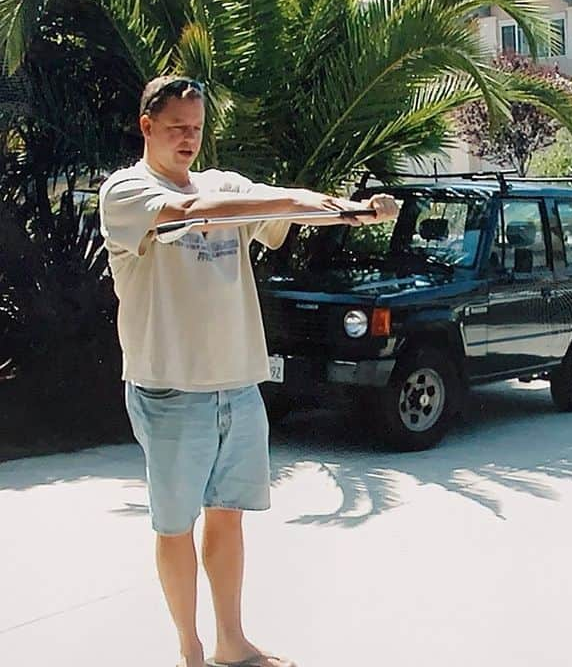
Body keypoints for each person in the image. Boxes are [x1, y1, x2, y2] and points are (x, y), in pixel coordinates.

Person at [99, 75, 399, 667]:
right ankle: (190, 649)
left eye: (197, 128)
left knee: (228, 517)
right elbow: (191, 209)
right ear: (147, 127)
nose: (189, 138)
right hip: (169, 388)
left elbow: (276, 198)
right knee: (175, 525)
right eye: (177, 127)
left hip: (236, 382)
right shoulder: (128, 192)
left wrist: (351, 211)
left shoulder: (225, 185)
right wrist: (282, 202)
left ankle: (232, 644)